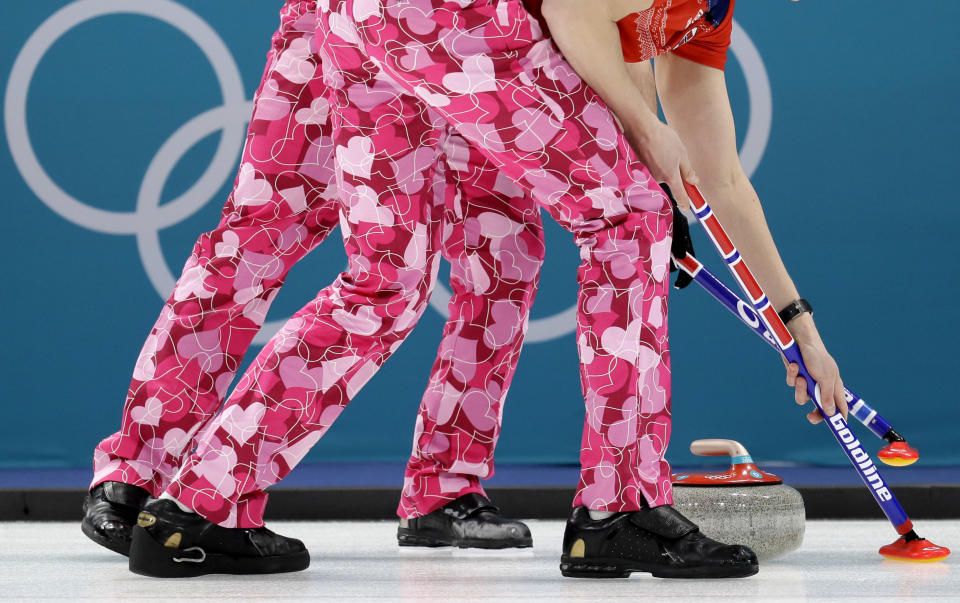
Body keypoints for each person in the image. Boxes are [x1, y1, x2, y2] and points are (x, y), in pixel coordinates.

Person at [127, 0, 847, 580]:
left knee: (389, 281)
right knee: (628, 217)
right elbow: (571, 14)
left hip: (360, 22)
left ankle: (195, 507)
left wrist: (797, 325)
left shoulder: (706, 16)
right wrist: (642, 134)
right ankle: (620, 508)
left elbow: (718, 177)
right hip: (451, 20)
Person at [82, 0, 548, 559]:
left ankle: (446, 485)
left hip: (487, 40)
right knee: (261, 236)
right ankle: (143, 466)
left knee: (504, 257)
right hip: (369, 21)